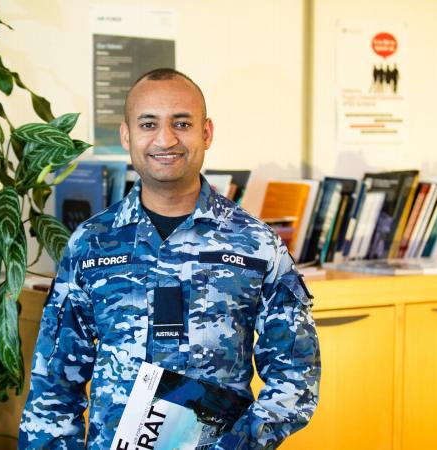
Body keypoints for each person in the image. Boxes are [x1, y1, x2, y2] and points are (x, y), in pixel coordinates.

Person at [19, 68, 321, 450]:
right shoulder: (91, 244)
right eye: (148, 124)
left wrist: (240, 445)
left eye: (182, 123)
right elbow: (54, 382)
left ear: (206, 133)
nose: (165, 139)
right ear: (126, 135)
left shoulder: (257, 245)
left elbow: (296, 374)